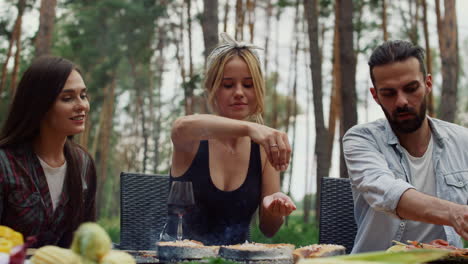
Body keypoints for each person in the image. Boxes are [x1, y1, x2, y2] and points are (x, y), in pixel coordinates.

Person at [167, 33, 296, 245]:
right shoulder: (193, 137)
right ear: (212, 89)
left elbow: (269, 229)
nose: (239, 92)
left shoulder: (262, 149)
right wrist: (250, 127)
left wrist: (274, 210)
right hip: (180, 257)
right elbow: (180, 127)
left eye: (248, 84)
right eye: (228, 85)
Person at [343, 40, 468, 253]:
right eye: (389, 93)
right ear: (375, 96)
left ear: (428, 84)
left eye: (411, 89)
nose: (401, 101)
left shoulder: (462, 140)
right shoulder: (360, 139)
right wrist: (455, 213)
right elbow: (388, 192)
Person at [0, 56, 97, 247]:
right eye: (67, 98)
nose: (82, 106)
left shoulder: (83, 163)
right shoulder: (5, 164)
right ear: (40, 105)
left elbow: (87, 240)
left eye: (83, 95)